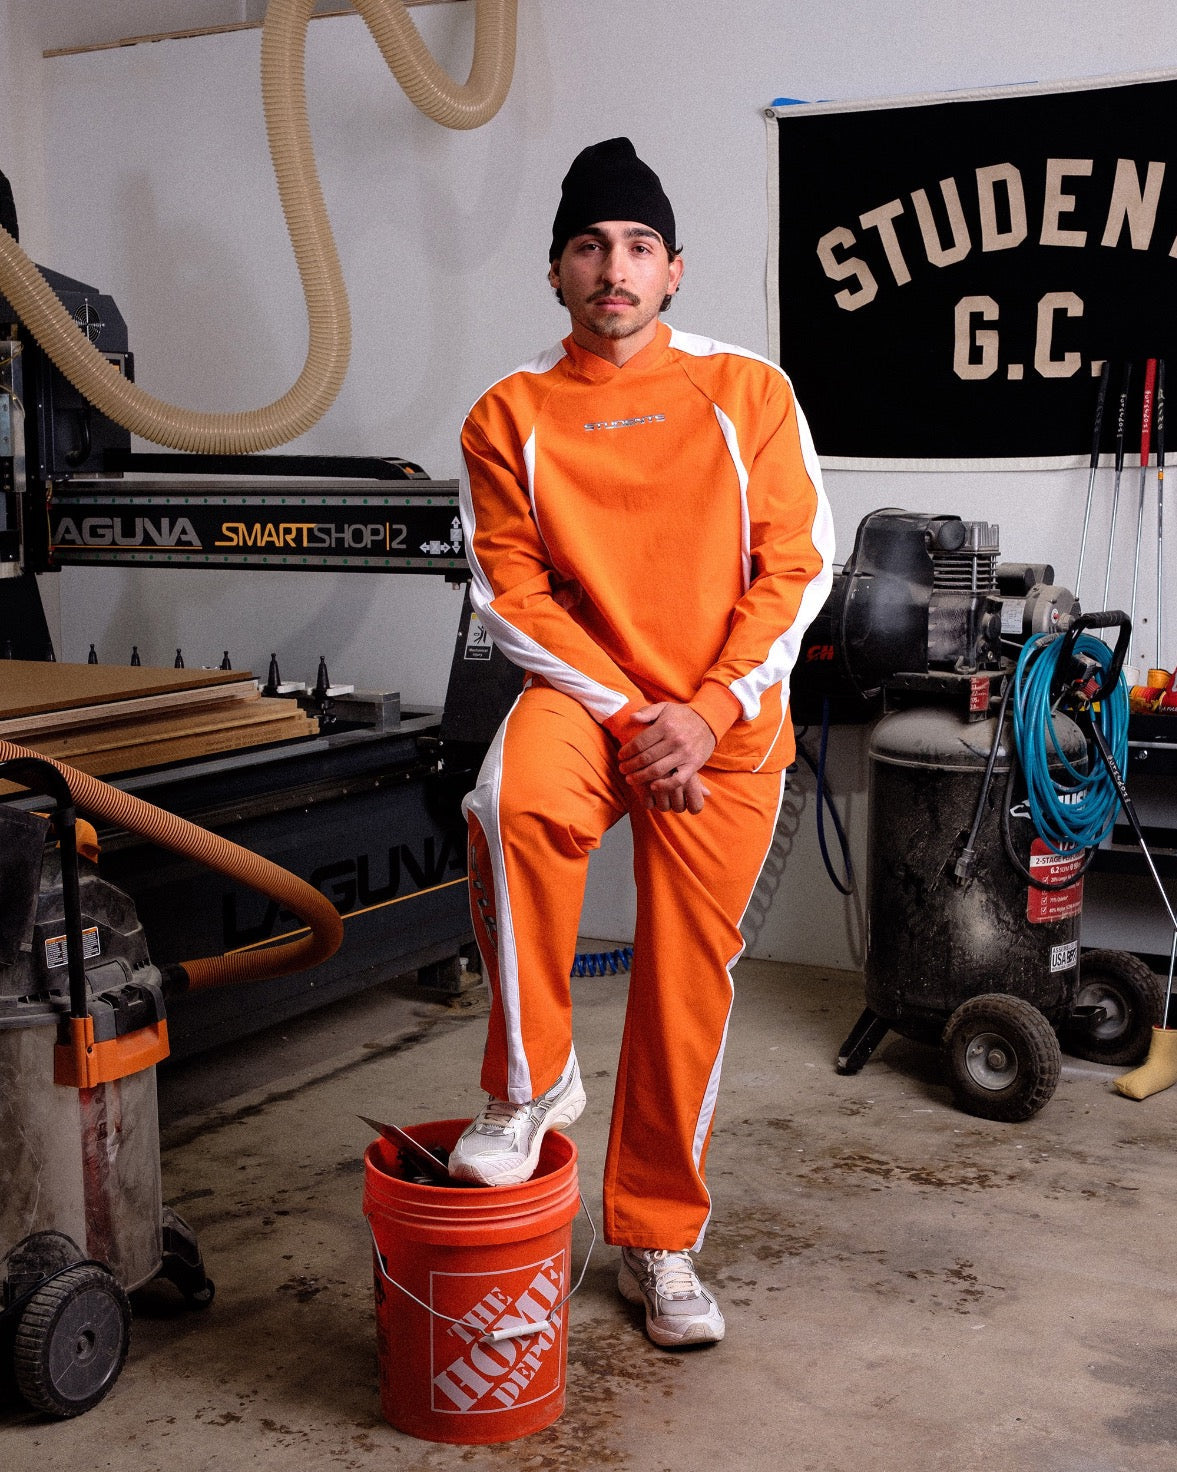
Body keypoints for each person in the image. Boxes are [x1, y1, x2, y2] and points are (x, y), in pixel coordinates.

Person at [450, 137, 834, 1348]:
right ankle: (530, 1082)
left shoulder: (748, 390)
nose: (612, 268)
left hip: (720, 724)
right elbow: (511, 595)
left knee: (683, 982)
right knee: (508, 799)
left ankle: (658, 1238)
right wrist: (629, 713)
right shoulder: (507, 414)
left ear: (674, 271)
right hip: (597, 700)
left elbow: (797, 564)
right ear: (554, 273)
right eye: (587, 246)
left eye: (635, 247)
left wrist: (707, 710)